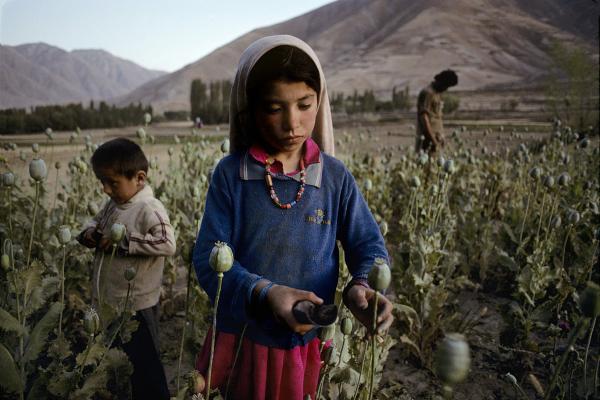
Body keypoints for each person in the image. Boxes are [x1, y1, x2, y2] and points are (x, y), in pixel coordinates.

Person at [193, 35, 393, 400]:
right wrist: (267, 293)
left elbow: (369, 246)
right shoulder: (231, 175)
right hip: (243, 340)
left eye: (305, 105)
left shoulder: (333, 177)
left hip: (310, 345)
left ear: (321, 102)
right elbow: (209, 262)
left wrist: (362, 288)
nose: (292, 124)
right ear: (249, 109)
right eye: (274, 108)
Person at [77, 137, 175, 400]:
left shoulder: (149, 208)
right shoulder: (114, 205)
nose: (106, 190)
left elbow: (167, 243)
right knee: (114, 362)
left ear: (139, 178)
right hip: (108, 301)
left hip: (137, 304)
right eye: (103, 182)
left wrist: (124, 243)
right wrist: (88, 234)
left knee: (145, 367)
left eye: (112, 182)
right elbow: (95, 222)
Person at [416, 69, 458, 154]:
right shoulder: (427, 93)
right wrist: (433, 140)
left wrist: (441, 136)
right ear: (441, 81)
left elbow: (437, 118)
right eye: (446, 86)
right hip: (428, 141)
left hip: (437, 139)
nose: (446, 89)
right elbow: (424, 118)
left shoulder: (436, 94)